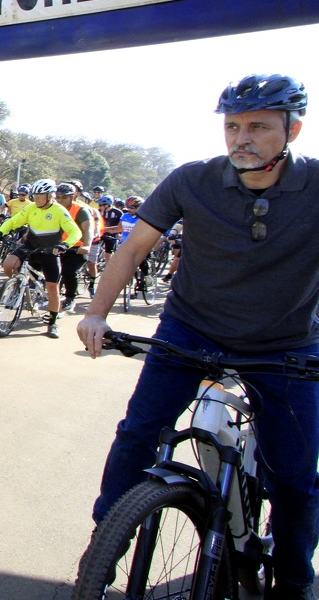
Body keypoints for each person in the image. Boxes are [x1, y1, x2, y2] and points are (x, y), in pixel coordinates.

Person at [78, 74, 319, 600]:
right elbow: (133, 249)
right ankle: (104, 546)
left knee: (296, 481)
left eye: (258, 126)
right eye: (232, 126)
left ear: (293, 130)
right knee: (137, 435)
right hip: (190, 331)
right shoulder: (192, 180)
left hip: (286, 347)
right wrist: (96, 314)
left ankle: (297, 577)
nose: (240, 138)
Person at [0, 178, 81, 338]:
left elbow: (75, 232)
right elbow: (13, 221)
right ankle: (17, 287)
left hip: (50, 251)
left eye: (40, 196)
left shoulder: (59, 211)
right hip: (30, 246)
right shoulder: (31, 208)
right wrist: (1, 231)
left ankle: (53, 323)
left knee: (53, 289)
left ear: (50, 196)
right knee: (8, 264)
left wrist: (65, 245)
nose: (36, 198)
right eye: (35, 195)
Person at [54, 182, 97, 313]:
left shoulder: (81, 210)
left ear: (72, 197)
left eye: (64, 197)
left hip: (76, 247)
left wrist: (87, 245)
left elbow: (88, 229)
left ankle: (70, 297)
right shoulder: (52, 208)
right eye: (58, 197)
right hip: (58, 245)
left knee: (69, 272)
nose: (60, 200)